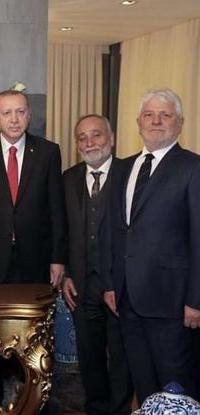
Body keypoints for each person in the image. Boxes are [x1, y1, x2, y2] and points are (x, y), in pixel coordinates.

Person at [0, 89, 66, 414]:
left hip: (34, 261)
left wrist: (58, 257)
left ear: (29, 114)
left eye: (20, 111)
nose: (14, 119)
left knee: (34, 339)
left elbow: (56, 209)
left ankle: (34, 403)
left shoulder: (48, 152)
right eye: (7, 113)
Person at [103, 88, 200, 404]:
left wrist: (196, 300)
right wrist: (111, 283)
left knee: (177, 391)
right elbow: (115, 231)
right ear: (138, 122)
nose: (156, 121)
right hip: (127, 301)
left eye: (165, 115)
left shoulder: (193, 167)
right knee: (145, 388)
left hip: (173, 304)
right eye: (149, 115)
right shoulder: (124, 168)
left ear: (180, 123)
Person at [62, 114, 132, 415]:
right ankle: (96, 407)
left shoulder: (130, 173)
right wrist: (66, 273)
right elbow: (62, 230)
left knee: (121, 354)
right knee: (89, 355)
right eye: (82, 137)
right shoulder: (68, 178)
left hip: (120, 282)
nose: (89, 143)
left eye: (96, 135)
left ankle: (119, 409)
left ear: (111, 138)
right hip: (82, 283)